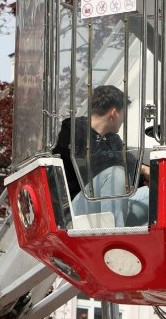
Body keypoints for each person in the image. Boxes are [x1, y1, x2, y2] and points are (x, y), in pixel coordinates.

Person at [52, 85, 150, 227]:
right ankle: (114, 237)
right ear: (114, 113)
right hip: (77, 210)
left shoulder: (113, 140)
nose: (123, 120)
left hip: (112, 205)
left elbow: (133, 168)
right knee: (116, 173)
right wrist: (139, 169)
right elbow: (91, 165)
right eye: (123, 114)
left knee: (161, 192)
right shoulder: (73, 132)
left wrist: (149, 174)